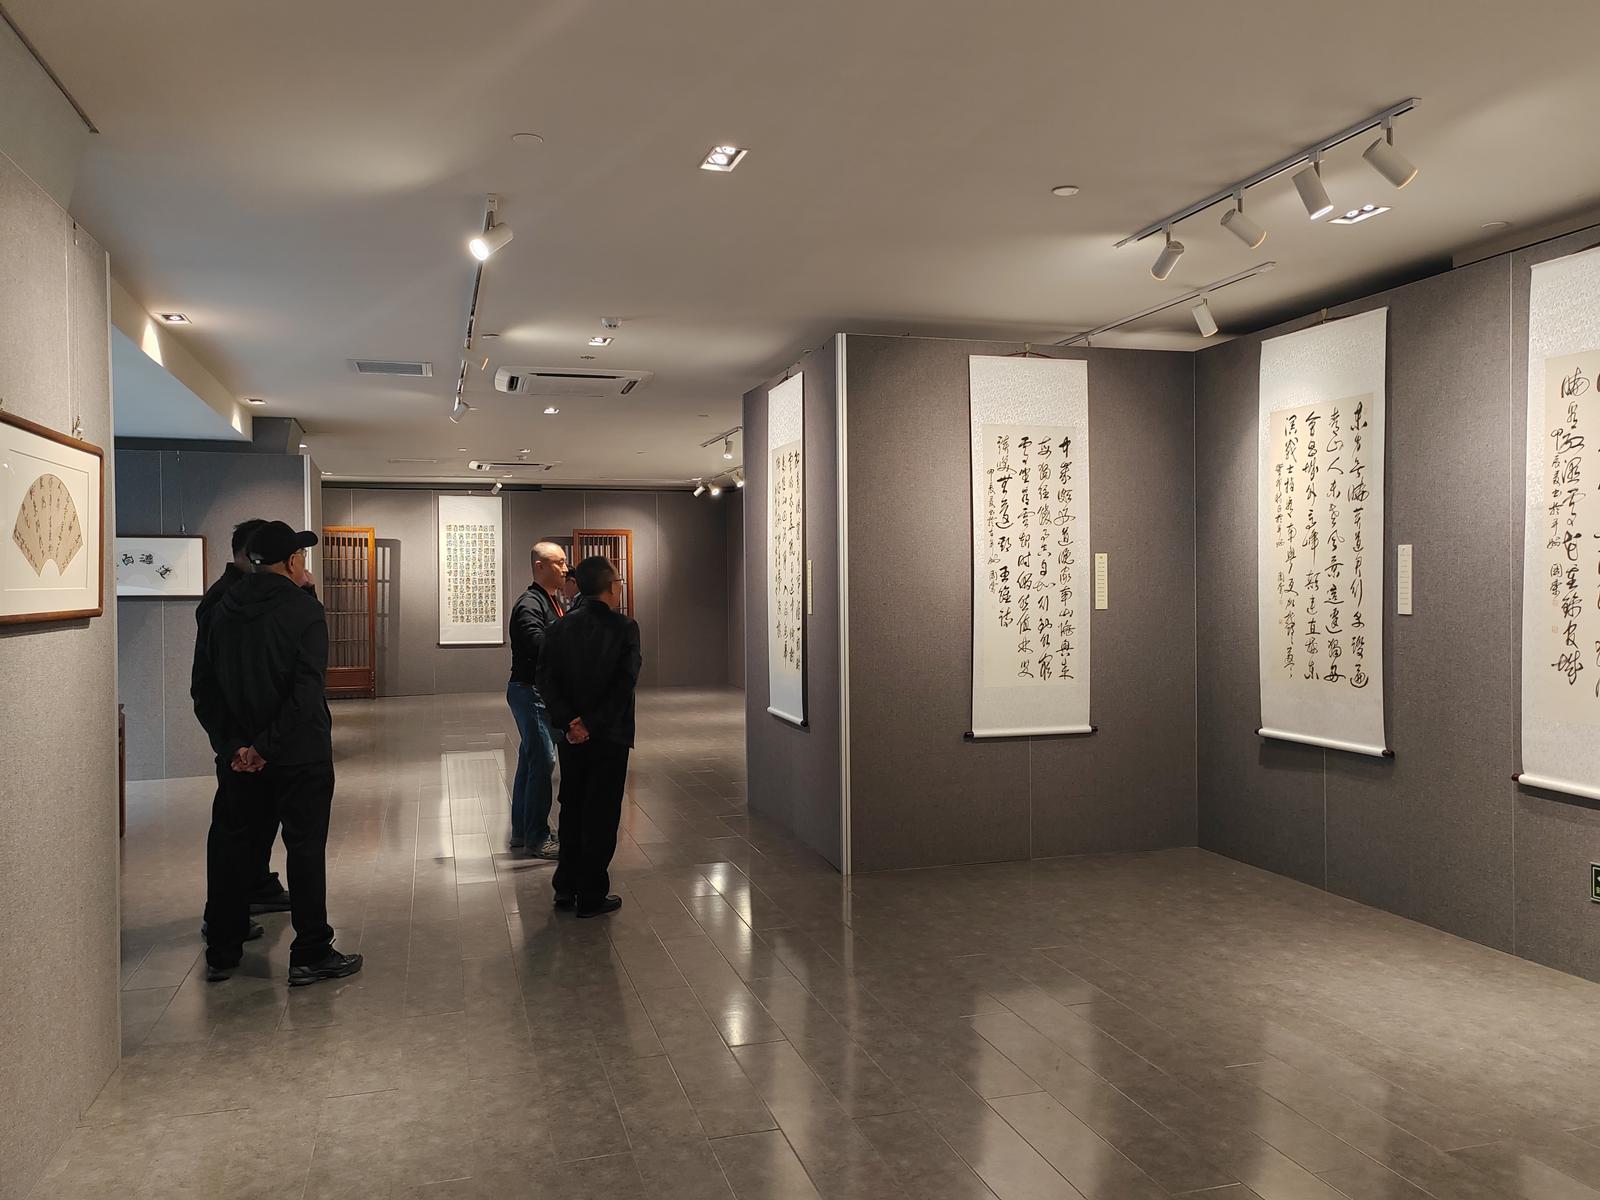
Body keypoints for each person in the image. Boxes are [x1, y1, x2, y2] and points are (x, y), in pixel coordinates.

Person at [191, 521, 362, 986]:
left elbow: (204, 690)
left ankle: (223, 948)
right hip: (299, 754)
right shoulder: (304, 612)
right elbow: (305, 692)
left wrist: (236, 747)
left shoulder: (220, 610)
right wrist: (266, 747)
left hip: (239, 760)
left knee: (231, 846)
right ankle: (311, 950)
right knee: (304, 849)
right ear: (290, 561)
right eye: (300, 556)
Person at [195, 518, 291, 932]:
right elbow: (208, 685)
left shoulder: (255, 594)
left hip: (261, 741)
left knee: (259, 823)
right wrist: (236, 745)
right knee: (234, 831)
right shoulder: (223, 601)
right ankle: (224, 918)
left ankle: (254, 886)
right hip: (243, 743)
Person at [537, 555, 641, 918]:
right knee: (602, 812)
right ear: (610, 587)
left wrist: (570, 722)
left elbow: (545, 680)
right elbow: (624, 684)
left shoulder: (557, 629)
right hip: (609, 735)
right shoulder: (625, 628)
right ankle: (592, 894)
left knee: (572, 806)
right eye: (618, 582)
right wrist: (592, 724)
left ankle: (565, 886)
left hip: (571, 738)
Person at [506, 541, 568, 858]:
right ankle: (537, 837)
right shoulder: (530, 603)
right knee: (543, 762)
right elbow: (537, 643)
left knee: (531, 762)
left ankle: (522, 831)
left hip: (537, 691)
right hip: (530, 691)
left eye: (565, 562)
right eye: (559, 563)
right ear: (540, 566)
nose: (565, 568)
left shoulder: (549, 600)